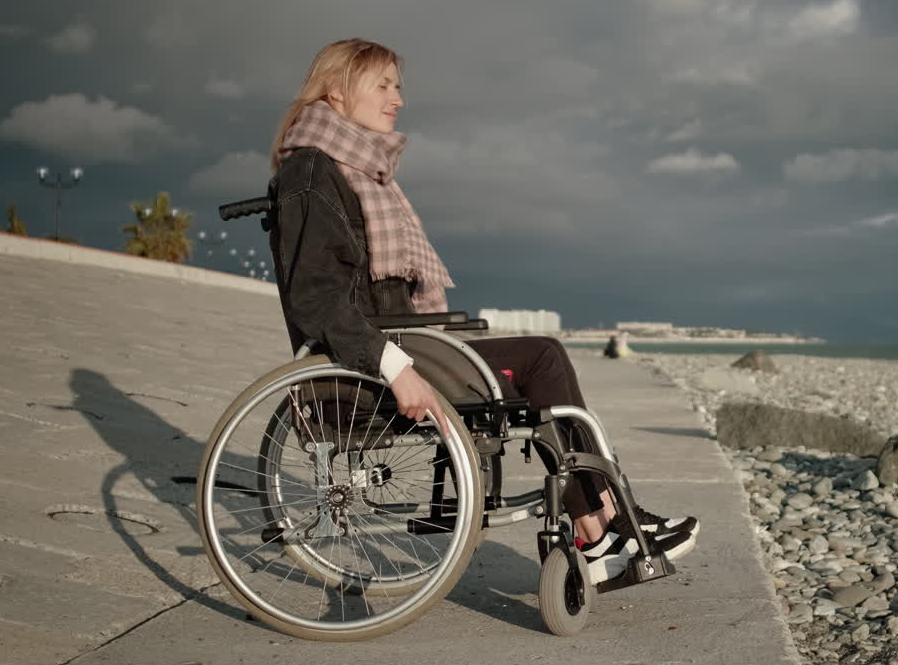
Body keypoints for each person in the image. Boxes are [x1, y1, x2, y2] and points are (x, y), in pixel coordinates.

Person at [266, 38, 697, 584]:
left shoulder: (355, 170)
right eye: (384, 84)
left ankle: (603, 520)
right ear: (337, 89)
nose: (398, 98)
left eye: (398, 86)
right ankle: (599, 526)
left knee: (542, 360)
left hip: (396, 344)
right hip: (368, 367)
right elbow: (317, 297)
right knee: (542, 359)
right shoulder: (312, 172)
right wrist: (397, 369)